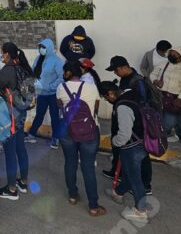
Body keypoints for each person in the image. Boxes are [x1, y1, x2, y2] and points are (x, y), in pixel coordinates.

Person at [57, 60, 106, 216]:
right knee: (88, 167)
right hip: (89, 132)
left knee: (70, 163)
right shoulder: (91, 88)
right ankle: (93, 206)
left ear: (68, 73)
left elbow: (60, 106)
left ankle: (72, 195)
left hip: (67, 132)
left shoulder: (60, 88)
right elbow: (96, 109)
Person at [101, 81, 150, 223]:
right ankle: (119, 192)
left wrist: (115, 142)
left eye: (106, 97)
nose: (107, 100)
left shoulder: (122, 107)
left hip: (131, 147)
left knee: (135, 179)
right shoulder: (130, 95)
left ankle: (141, 211)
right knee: (129, 172)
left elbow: (124, 134)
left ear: (110, 93)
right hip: (142, 142)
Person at [103, 56, 152, 194]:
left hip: (135, 124)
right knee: (123, 153)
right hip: (123, 119)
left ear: (124, 67)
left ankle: (145, 185)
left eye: (116, 70)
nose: (115, 73)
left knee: (141, 157)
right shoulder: (125, 79)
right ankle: (119, 174)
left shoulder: (138, 82)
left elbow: (142, 104)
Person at [0, 42, 32, 200]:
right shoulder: (24, 68)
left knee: (10, 152)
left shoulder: (7, 70)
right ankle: (23, 182)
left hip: (9, 116)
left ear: (7, 54)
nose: (1, 55)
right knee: (20, 148)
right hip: (21, 113)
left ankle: (11, 189)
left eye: (2, 53)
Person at [27, 38, 65, 148]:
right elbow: (33, 72)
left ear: (49, 48)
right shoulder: (38, 59)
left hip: (53, 94)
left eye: (43, 47)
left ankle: (55, 139)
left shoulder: (56, 61)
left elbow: (61, 77)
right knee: (39, 115)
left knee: (54, 117)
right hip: (41, 94)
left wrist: (51, 86)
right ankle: (32, 134)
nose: (41, 49)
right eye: (40, 47)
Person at [151, 46, 181, 143]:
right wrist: (155, 80)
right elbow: (153, 74)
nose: (171, 55)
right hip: (162, 95)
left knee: (174, 119)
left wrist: (180, 98)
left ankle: (174, 134)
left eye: (174, 54)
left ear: (180, 57)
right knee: (172, 118)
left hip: (176, 97)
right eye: (170, 53)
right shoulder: (163, 63)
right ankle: (172, 135)